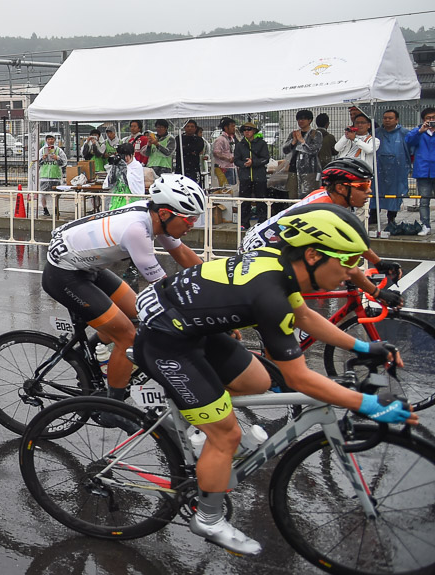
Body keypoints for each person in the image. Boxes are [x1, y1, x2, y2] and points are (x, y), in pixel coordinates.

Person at [133, 203, 413, 555]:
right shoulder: (269, 295)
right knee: (228, 434)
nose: (351, 273)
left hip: (189, 326)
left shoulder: (281, 267)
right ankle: (208, 518)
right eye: (345, 263)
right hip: (165, 342)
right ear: (312, 255)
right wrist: (366, 403)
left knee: (258, 381)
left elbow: (305, 317)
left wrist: (364, 346)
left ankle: (201, 424)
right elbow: (301, 380)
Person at [44, 174, 205, 405]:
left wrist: (216, 283)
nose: (193, 225)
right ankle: (113, 409)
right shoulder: (137, 231)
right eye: (189, 219)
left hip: (87, 266)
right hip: (64, 274)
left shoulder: (155, 217)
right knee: (128, 336)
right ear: (165, 213)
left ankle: (84, 356)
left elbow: (182, 254)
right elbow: (163, 289)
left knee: (139, 316)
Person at [239, 157, 404, 300]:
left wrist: (378, 262)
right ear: (340, 188)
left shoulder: (325, 196)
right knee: (292, 320)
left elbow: (353, 240)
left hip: (260, 245)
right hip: (258, 259)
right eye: (362, 185)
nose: (368, 191)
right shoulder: (324, 212)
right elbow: (347, 265)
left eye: (368, 184)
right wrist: (377, 293)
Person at [334, 114, 379, 226]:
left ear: (369, 125)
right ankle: (344, 223)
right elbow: (336, 148)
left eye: (362, 122)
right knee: (344, 198)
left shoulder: (373, 140)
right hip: (345, 172)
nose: (359, 125)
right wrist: (346, 136)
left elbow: (369, 150)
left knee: (362, 202)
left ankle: (358, 225)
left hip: (361, 174)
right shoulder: (348, 138)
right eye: (356, 123)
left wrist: (356, 139)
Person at [369, 109, 409, 237]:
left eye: (390, 118)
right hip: (379, 167)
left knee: (395, 192)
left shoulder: (404, 133)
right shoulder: (376, 133)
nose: (387, 120)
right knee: (376, 191)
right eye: (385, 118)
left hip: (397, 169)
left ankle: (391, 217)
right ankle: (374, 215)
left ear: (396, 120)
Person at [234, 123, 271, 228]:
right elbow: (236, 160)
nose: (246, 131)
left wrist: (253, 162)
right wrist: (244, 164)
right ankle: (244, 223)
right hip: (245, 176)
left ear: (254, 131)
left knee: (261, 199)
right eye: (244, 130)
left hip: (259, 176)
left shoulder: (262, 143)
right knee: (244, 200)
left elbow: (265, 158)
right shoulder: (240, 145)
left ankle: (262, 222)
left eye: (249, 129)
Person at [405, 106, 435, 236]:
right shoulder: (418, 130)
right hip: (423, 170)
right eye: (428, 118)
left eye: (433, 118)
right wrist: (420, 131)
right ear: (423, 119)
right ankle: (425, 225)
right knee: (424, 201)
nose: (431, 120)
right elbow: (408, 141)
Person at [281, 109, 323, 199]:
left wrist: (302, 141)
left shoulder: (316, 134)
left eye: (303, 119)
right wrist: (293, 142)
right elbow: (285, 150)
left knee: (308, 196)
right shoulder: (294, 134)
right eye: (299, 119)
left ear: (310, 120)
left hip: (310, 171)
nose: (300, 121)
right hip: (293, 170)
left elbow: (314, 150)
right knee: (293, 195)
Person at [103, 142, 142, 210]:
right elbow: (111, 181)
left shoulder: (137, 166)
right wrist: (115, 166)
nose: (125, 158)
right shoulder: (119, 164)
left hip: (131, 198)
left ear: (133, 154)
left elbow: (130, 184)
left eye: (127, 155)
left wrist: (124, 168)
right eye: (123, 156)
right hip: (117, 196)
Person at [35, 134, 67, 217]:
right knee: (43, 193)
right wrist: (43, 158)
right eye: (48, 139)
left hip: (55, 176)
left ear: (54, 140)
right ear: (46, 140)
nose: (50, 140)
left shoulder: (58, 150)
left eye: (52, 139)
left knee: (56, 193)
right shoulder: (42, 150)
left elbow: (64, 162)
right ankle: (45, 209)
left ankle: (56, 209)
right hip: (44, 176)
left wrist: (58, 158)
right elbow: (37, 163)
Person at [177, 120, 207, 185]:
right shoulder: (178, 138)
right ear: (184, 128)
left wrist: (186, 148)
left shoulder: (199, 140)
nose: (190, 128)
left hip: (194, 168)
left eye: (192, 126)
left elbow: (197, 150)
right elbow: (178, 149)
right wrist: (189, 150)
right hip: (181, 167)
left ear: (195, 128)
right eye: (187, 126)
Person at [211, 118, 237, 187]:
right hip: (223, 168)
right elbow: (216, 153)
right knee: (225, 189)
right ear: (225, 127)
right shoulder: (220, 139)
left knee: (232, 188)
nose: (234, 128)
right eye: (232, 126)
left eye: (234, 126)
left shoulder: (231, 138)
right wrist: (228, 159)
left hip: (231, 167)